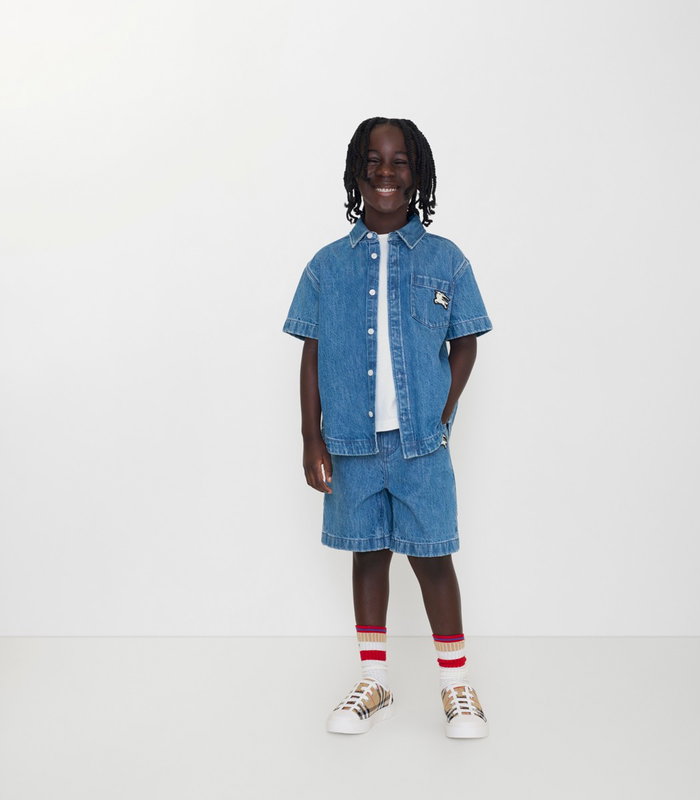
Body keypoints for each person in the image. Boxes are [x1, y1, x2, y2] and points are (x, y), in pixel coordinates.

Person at [283, 117, 492, 738]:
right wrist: (311, 436)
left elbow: (466, 342)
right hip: (350, 443)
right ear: (356, 173)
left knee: (432, 558)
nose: (385, 172)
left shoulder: (445, 260)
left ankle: (456, 686)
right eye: (373, 160)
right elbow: (312, 352)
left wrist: (440, 411)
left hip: (421, 446)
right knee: (368, 554)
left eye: (399, 161)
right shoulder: (327, 266)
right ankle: (374, 681)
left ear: (416, 174)